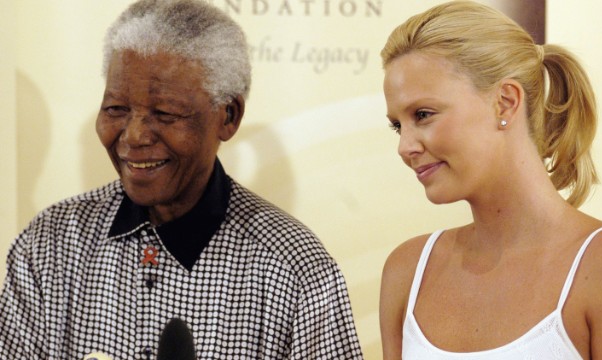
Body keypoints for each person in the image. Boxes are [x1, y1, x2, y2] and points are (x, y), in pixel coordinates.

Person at [0, 0, 363, 359]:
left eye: (165, 113)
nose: (134, 136)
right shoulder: (49, 245)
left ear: (229, 116)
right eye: (116, 109)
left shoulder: (294, 271)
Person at [379, 1, 602, 359]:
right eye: (397, 125)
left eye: (423, 115)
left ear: (505, 102)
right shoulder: (407, 271)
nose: (405, 146)